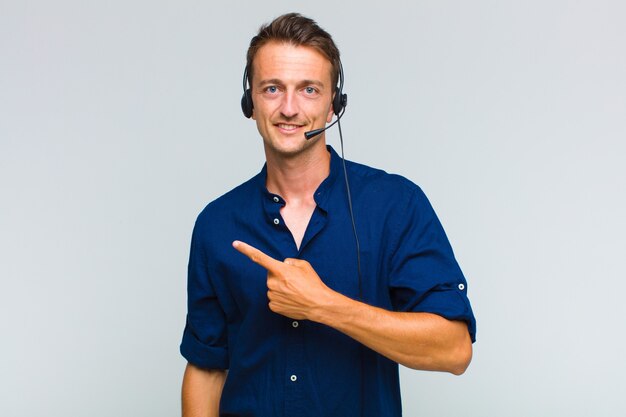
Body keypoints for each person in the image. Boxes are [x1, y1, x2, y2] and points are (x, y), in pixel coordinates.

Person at [180, 12, 476, 417]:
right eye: (272, 88)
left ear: (334, 104)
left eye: (309, 90)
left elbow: (454, 350)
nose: (288, 107)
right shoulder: (216, 224)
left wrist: (323, 305)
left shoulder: (395, 205)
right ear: (250, 103)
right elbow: (206, 368)